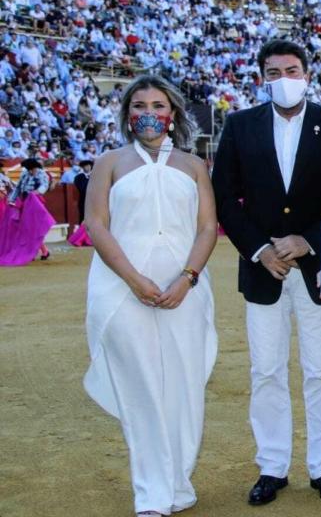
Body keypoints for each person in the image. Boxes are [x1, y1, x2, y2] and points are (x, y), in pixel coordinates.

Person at [212, 39, 321, 507]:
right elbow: (223, 196)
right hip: (264, 270)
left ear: (307, 74)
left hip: (317, 267)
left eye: (291, 70)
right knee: (266, 371)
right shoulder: (240, 125)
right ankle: (272, 466)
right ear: (262, 78)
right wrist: (260, 250)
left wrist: (309, 240)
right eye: (273, 72)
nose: (283, 79)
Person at [81, 75, 218, 517]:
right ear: (127, 115)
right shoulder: (109, 162)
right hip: (121, 291)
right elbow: (96, 225)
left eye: (158, 105)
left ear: (172, 114)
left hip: (185, 291)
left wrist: (187, 279)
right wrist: (133, 279)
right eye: (138, 106)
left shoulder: (193, 165)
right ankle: (151, 493)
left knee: (184, 386)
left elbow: (206, 228)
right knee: (140, 390)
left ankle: (178, 482)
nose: (148, 113)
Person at [0, 157, 54, 264]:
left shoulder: (41, 174)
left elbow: (44, 186)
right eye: (28, 169)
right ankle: (40, 251)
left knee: (32, 228)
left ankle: (39, 251)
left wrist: (36, 192)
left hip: (36, 202)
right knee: (27, 228)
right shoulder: (24, 174)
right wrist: (12, 199)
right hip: (25, 202)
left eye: (31, 168)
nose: (30, 170)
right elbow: (18, 188)